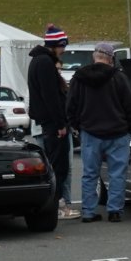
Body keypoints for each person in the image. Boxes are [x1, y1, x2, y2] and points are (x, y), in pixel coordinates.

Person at [67, 42, 131, 223]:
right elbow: (129, 105)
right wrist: (130, 127)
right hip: (118, 132)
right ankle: (115, 210)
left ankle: (88, 211)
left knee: (90, 173)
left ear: (94, 56)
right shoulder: (119, 78)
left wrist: (77, 125)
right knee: (117, 174)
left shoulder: (79, 78)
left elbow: (71, 105)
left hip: (90, 132)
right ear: (111, 58)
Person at [28, 25, 76, 219]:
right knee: (59, 167)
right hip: (52, 124)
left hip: (46, 121)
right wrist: (61, 124)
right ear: (56, 45)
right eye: (62, 46)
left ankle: (55, 204)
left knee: (53, 165)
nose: (64, 50)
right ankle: (55, 205)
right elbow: (51, 97)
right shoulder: (45, 63)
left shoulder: (37, 62)